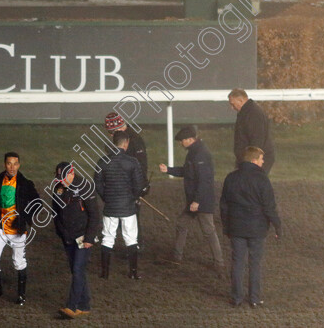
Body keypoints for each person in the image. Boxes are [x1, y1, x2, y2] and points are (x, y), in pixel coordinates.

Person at [158, 126, 225, 278]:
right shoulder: (195, 152)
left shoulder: (200, 154)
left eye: (181, 141)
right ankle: (176, 256)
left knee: (208, 231)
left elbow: (205, 181)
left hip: (200, 202)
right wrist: (168, 170)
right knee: (182, 224)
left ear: (189, 139)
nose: (181, 143)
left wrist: (197, 201)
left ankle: (219, 263)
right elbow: (186, 171)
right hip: (195, 201)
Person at [220, 146, 282, 308]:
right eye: (261, 159)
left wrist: (226, 226)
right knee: (254, 263)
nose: (263, 162)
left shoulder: (231, 178)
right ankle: (254, 298)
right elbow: (269, 206)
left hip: (236, 227)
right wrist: (277, 225)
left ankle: (236, 298)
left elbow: (224, 205)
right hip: (257, 228)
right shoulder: (262, 179)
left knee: (237, 262)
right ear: (254, 160)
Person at [0, 151, 40, 306]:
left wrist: (24, 218)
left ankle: (21, 295)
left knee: (18, 262)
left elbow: (37, 203)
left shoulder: (26, 184)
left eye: (15, 164)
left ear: (19, 165)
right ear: (4, 164)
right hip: (0, 228)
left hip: (18, 230)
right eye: (9, 163)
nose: (12, 167)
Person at [51, 162, 101, 319]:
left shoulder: (85, 186)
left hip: (82, 236)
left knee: (78, 269)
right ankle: (84, 305)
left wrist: (89, 237)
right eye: (59, 178)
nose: (62, 181)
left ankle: (71, 306)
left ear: (72, 173)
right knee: (76, 270)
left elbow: (94, 214)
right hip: (67, 236)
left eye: (64, 177)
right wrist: (61, 233)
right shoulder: (58, 188)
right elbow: (55, 212)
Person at [95, 130, 146, 280]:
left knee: (107, 238)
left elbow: (98, 183)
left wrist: (106, 197)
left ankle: (105, 273)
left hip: (110, 206)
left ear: (114, 143)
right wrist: (134, 197)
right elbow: (139, 186)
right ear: (126, 143)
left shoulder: (102, 162)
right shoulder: (132, 162)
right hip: (128, 207)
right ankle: (133, 272)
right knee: (131, 239)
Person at [104, 112, 150, 249]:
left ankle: (135, 245)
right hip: (128, 185)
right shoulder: (130, 138)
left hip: (131, 186)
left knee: (130, 217)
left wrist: (137, 187)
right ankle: (133, 245)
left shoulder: (134, 141)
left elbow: (141, 166)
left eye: (111, 133)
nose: (111, 136)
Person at [228, 88, 275, 174]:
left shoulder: (253, 114)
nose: (232, 108)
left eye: (233, 104)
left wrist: (252, 161)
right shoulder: (247, 113)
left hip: (254, 160)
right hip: (249, 160)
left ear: (240, 100)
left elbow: (257, 139)